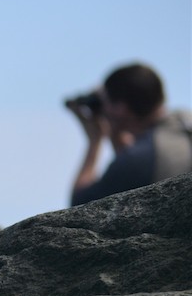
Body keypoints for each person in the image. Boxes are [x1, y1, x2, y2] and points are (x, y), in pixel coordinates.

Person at [67, 62, 192, 206]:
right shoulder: (185, 122)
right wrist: (115, 133)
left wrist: (94, 142)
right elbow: (132, 178)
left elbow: (80, 204)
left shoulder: (137, 159)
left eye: (106, 102)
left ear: (120, 108)